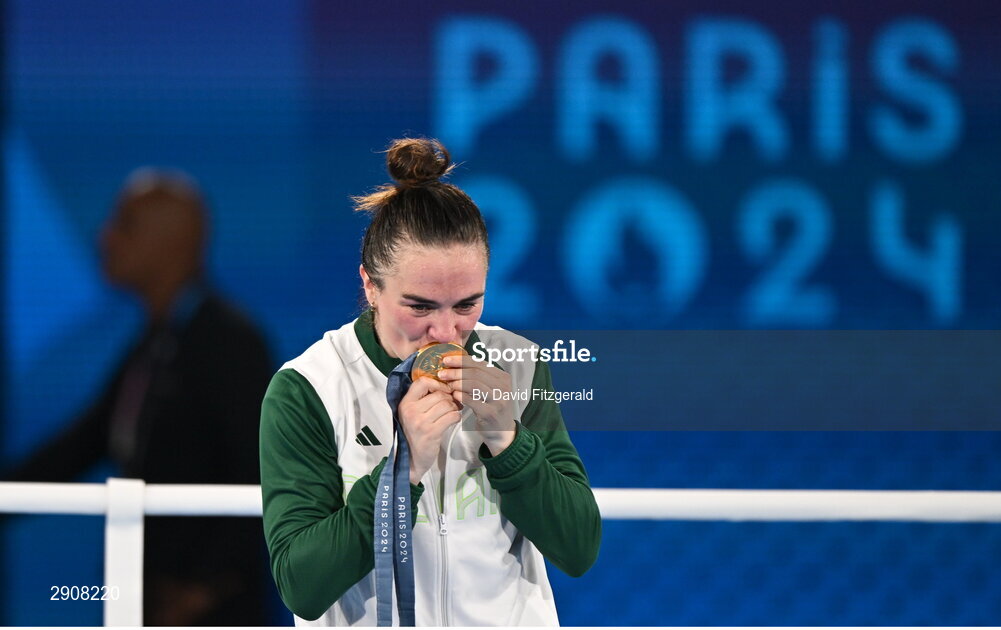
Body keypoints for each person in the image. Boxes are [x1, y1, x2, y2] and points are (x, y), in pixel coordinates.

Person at [260, 138, 601, 626]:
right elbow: (303, 587)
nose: (445, 333)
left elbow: (579, 549)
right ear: (370, 286)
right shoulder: (307, 388)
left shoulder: (519, 364)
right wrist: (403, 469)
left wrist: (508, 440)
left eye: (467, 305)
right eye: (419, 307)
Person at [6, 169, 274, 626]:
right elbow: (85, 442)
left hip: (204, 612)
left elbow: (258, 470)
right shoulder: (157, 341)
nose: (105, 236)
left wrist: (202, 587)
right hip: (144, 594)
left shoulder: (227, 341)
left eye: (124, 224)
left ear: (174, 242)